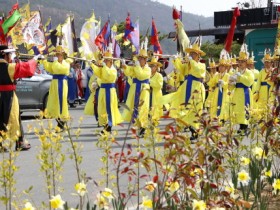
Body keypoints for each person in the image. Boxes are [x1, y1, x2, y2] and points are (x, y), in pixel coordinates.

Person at [165, 38, 206, 141]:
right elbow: (182, 70)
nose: (191, 55)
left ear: (198, 56)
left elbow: (197, 71)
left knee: (195, 110)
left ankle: (195, 132)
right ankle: (191, 130)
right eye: (191, 53)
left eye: (194, 53)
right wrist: (176, 60)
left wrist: (191, 61)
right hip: (187, 87)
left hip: (196, 88)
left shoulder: (201, 65)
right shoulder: (189, 64)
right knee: (184, 108)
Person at [0, 45, 37, 151]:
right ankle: (20, 142)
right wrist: (34, 60)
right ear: (5, 55)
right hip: (9, 95)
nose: (10, 56)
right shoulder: (9, 67)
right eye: (9, 54)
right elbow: (27, 69)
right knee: (15, 118)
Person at [90, 51, 123, 133]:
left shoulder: (113, 70)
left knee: (109, 109)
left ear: (111, 61)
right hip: (102, 90)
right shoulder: (104, 68)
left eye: (106, 60)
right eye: (105, 60)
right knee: (102, 109)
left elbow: (107, 76)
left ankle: (108, 127)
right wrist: (93, 64)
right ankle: (105, 126)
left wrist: (103, 66)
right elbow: (98, 73)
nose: (105, 61)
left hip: (110, 91)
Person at [121, 48, 151, 137]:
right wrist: (124, 65)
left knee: (142, 108)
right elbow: (129, 72)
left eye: (142, 58)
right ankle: (138, 127)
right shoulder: (136, 67)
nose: (140, 60)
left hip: (143, 90)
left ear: (145, 60)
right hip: (135, 90)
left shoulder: (148, 69)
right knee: (134, 107)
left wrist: (137, 66)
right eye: (139, 58)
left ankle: (143, 127)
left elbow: (141, 76)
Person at [42, 45, 71, 131]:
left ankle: (61, 122)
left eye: (60, 55)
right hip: (54, 84)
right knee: (55, 103)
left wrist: (54, 61)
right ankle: (59, 122)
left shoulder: (66, 63)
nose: (58, 56)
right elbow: (49, 68)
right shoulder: (55, 63)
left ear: (63, 55)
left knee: (61, 102)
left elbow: (59, 69)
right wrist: (44, 60)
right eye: (57, 55)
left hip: (62, 83)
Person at [229, 45, 254, 135]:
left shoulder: (249, 72)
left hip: (245, 92)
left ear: (246, 63)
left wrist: (241, 76)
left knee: (245, 108)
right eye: (239, 61)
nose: (240, 63)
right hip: (237, 92)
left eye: (242, 62)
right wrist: (231, 83)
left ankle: (246, 126)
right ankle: (241, 126)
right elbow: (232, 85)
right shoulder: (236, 72)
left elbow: (249, 81)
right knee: (238, 109)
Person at [254, 50, 275, 119]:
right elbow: (258, 82)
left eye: (268, 62)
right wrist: (257, 91)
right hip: (262, 90)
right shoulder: (261, 71)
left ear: (271, 63)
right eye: (265, 62)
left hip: (271, 89)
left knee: (271, 104)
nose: (266, 64)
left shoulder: (274, 71)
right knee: (262, 105)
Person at [208, 57, 230, 122]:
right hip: (217, 92)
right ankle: (216, 116)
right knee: (216, 103)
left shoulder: (227, 75)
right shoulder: (217, 75)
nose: (220, 68)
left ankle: (223, 118)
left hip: (224, 92)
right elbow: (212, 83)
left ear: (225, 68)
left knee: (224, 104)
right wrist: (208, 81)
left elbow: (228, 85)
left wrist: (223, 83)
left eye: (222, 66)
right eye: (220, 66)